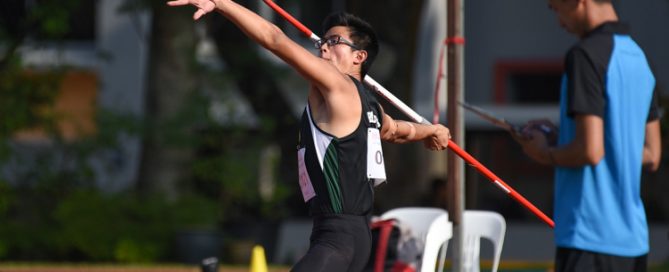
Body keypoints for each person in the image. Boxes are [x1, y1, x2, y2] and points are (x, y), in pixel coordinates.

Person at [167, 1, 451, 271]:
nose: (323, 47)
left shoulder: (338, 85)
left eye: (334, 41)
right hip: (355, 238)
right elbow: (398, 131)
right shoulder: (371, 107)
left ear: (359, 56)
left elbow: (274, 39)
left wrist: (222, 3)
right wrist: (431, 132)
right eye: (322, 41)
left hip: (337, 238)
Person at [513, 0, 662, 271]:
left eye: (556, 8)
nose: (559, 22)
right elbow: (652, 155)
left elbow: (590, 151)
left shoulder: (584, 55)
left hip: (589, 236)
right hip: (634, 242)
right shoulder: (639, 57)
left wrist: (542, 153)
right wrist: (566, 135)